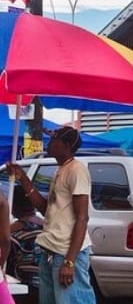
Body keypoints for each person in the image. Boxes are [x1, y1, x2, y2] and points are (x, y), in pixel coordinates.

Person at [8, 127, 96, 303]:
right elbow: (46, 209)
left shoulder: (76, 171)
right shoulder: (60, 170)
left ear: (66, 145)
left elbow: (82, 218)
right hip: (50, 250)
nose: (50, 143)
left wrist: (69, 262)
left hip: (65, 253)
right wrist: (23, 179)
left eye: (54, 140)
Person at [8, 184, 43, 300]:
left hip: (25, 285)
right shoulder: (46, 225)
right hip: (47, 283)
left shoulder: (14, 232)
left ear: (14, 207)